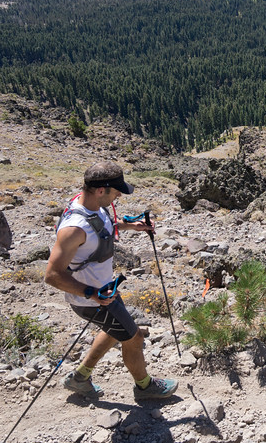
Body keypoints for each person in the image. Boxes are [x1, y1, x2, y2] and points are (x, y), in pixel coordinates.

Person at [45, 161, 178, 401]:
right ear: (100, 190)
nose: (118, 196)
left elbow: (102, 227)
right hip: (92, 300)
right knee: (134, 336)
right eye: (115, 191)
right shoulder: (74, 228)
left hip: (103, 293)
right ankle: (145, 387)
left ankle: (80, 377)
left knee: (115, 330)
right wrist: (91, 293)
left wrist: (131, 226)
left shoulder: (91, 206)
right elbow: (52, 275)